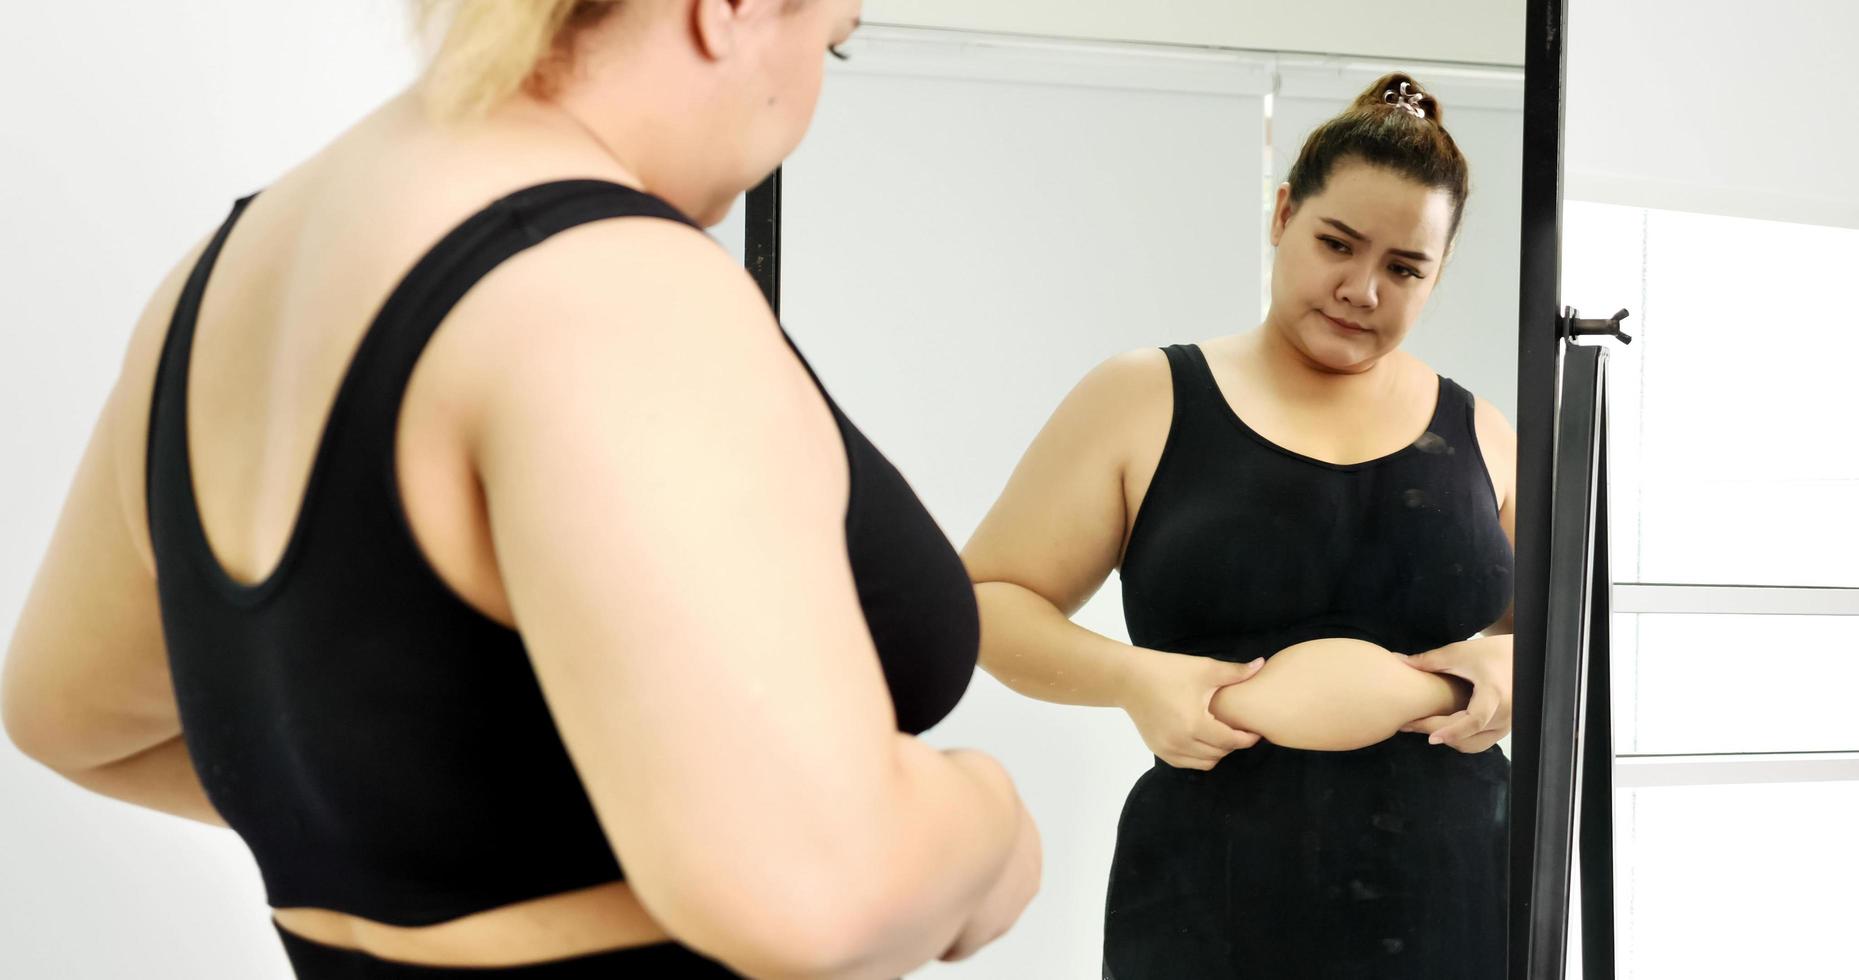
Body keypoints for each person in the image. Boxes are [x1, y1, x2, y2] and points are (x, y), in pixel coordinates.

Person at [0, 1, 1040, 976]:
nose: (807, 105)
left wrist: (421, 820)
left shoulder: (220, 279)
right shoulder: (605, 284)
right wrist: (987, 822)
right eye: (832, 41)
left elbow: (70, 715)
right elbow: (819, 891)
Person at [961, 73, 1514, 979]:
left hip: (1456, 896)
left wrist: (1511, 661)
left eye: (1404, 268)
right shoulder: (1143, 397)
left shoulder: (1484, 431)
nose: (1362, 289)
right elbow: (986, 600)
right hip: (1206, 899)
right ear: (1283, 213)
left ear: (1436, 275)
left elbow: (1576, 642)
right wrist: (1133, 678)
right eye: (1336, 242)